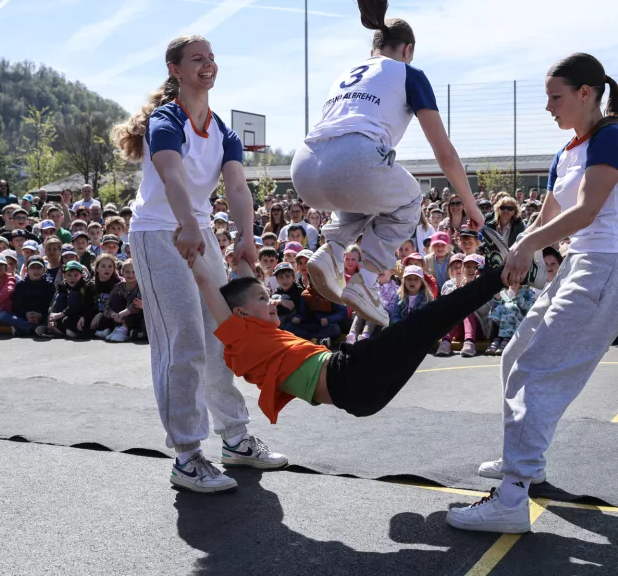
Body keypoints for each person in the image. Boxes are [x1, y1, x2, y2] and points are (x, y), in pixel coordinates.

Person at [448, 53, 618, 534]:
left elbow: (587, 211)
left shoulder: (611, 138)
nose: (549, 107)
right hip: (581, 266)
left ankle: (513, 495)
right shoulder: (567, 152)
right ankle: (524, 463)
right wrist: (518, 248)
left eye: (556, 97)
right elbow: (545, 217)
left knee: (537, 373)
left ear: (586, 94)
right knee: (514, 357)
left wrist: (531, 245)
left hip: (606, 270)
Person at [113, 34, 286, 494]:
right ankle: (187, 457)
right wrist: (187, 223)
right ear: (176, 70)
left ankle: (235, 439)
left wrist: (247, 237)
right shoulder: (165, 120)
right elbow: (170, 175)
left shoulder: (223, 131)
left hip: (201, 234)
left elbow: (237, 188)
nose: (208, 64)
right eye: (197, 59)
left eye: (211, 57)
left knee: (220, 337)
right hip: (158, 232)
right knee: (183, 341)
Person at [292, 0, 483, 328]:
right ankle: (365, 279)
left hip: (305, 165)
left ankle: (328, 250)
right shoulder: (408, 73)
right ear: (407, 49)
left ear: (373, 47)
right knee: (410, 199)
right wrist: (471, 205)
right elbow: (443, 151)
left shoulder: (347, 73)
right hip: (353, 158)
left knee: (364, 200)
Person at [193, 252, 509, 426]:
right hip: (348, 374)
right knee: (430, 318)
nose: (271, 300)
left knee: (428, 329)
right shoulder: (241, 337)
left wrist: (244, 252)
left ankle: (501, 276)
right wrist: (192, 253)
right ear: (241, 314)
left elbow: (246, 279)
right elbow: (209, 286)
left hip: (359, 397)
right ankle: (503, 274)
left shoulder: (262, 333)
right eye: (263, 299)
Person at [0, 255, 55, 337]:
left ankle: (23, 329)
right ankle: (32, 328)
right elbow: (16, 306)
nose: (36, 270)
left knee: (51, 319)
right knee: (3, 315)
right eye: (32, 268)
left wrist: (40, 315)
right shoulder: (20, 285)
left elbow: (50, 306)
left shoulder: (49, 285)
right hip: (24, 318)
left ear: (44, 270)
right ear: (27, 270)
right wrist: (26, 314)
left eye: (38, 267)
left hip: (42, 318)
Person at [103, 258, 145, 343]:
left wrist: (123, 313)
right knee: (116, 296)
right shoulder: (118, 286)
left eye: (134, 272)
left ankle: (124, 329)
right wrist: (113, 314)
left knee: (134, 298)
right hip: (119, 318)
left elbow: (136, 305)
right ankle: (117, 328)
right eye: (127, 272)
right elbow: (107, 304)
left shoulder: (141, 287)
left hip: (135, 318)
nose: (131, 275)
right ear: (122, 272)